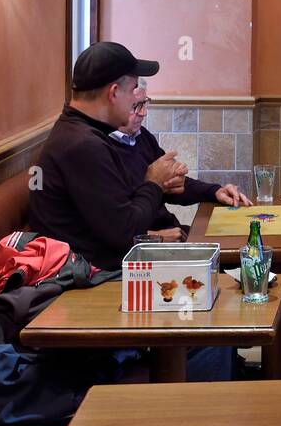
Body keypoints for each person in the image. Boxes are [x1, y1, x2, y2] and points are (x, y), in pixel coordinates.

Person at [27, 41, 234, 380]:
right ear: (114, 92)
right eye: (134, 88)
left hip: (107, 269)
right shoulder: (83, 146)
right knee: (216, 319)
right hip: (90, 285)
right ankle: (192, 415)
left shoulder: (86, 134)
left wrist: (169, 187)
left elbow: (119, 219)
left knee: (220, 294)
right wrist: (153, 182)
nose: (139, 100)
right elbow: (123, 232)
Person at [110, 80, 251, 241]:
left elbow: (175, 185)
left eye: (145, 103)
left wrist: (215, 191)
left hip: (172, 233)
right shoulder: (101, 149)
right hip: (143, 249)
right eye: (135, 106)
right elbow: (110, 228)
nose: (143, 113)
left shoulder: (142, 137)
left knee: (246, 240)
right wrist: (154, 237)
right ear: (115, 102)